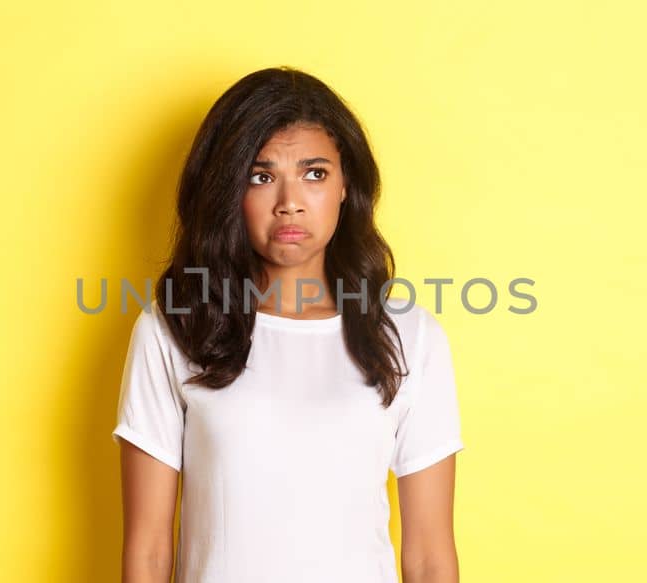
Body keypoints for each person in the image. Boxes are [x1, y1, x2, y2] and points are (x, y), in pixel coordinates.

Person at [113, 66, 464, 583]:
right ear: (228, 190)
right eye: (261, 176)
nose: (290, 202)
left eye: (315, 173)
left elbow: (430, 556)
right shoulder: (176, 328)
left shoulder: (409, 336)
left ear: (347, 186)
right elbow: (147, 550)